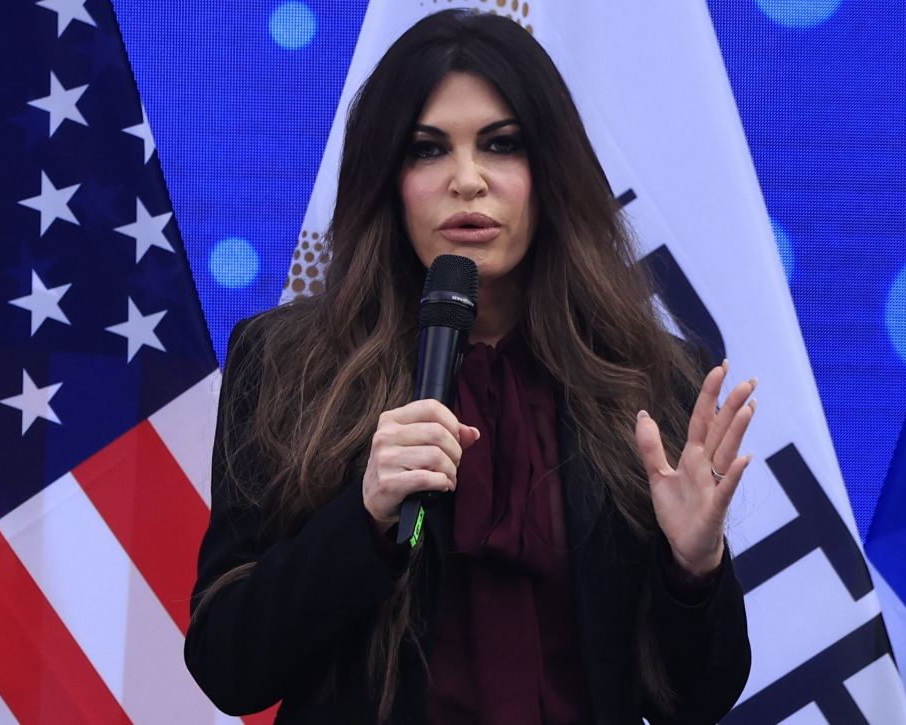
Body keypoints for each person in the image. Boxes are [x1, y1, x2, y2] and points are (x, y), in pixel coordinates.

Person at [185, 9, 753, 724]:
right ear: (387, 178)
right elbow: (228, 666)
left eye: (501, 145)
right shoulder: (288, 364)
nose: (467, 180)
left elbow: (696, 702)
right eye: (427, 150)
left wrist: (694, 569)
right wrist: (363, 515)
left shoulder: (648, 378)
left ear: (550, 172)